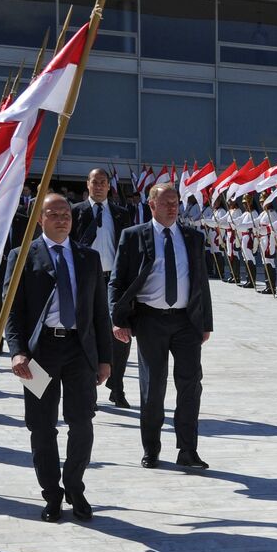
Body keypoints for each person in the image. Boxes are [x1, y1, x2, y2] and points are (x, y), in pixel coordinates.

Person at [6, 194, 113, 521]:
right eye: (53, 214)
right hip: (40, 354)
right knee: (42, 426)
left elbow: (99, 311)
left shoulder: (88, 257)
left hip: (79, 351)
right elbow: (11, 310)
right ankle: (51, 494)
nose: (62, 219)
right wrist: (17, 351)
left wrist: (106, 358)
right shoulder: (22, 255)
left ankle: (75, 485)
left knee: (82, 422)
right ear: (40, 219)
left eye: (66, 214)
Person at [109, 182, 214, 471]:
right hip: (150, 320)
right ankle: (151, 449)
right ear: (151, 205)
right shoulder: (133, 236)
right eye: (166, 202)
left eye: (176, 202)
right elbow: (117, 281)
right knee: (153, 387)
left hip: (186, 322)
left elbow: (201, 282)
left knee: (190, 386)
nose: (172, 207)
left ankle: (188, 450)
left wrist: (206, 323)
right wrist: (117, 319)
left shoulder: (192, 236)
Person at [71, 167, 133, 408]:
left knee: (120, 334)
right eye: (94, 182)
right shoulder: (75, 212)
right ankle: (90, 388)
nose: (98, 186)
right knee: (89, 334)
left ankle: (116, 386)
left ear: (109, 186)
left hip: (114, 281)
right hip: (85, 280)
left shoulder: (120, 214)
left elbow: (128, 249)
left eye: (103, 182)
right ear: (87, 184)